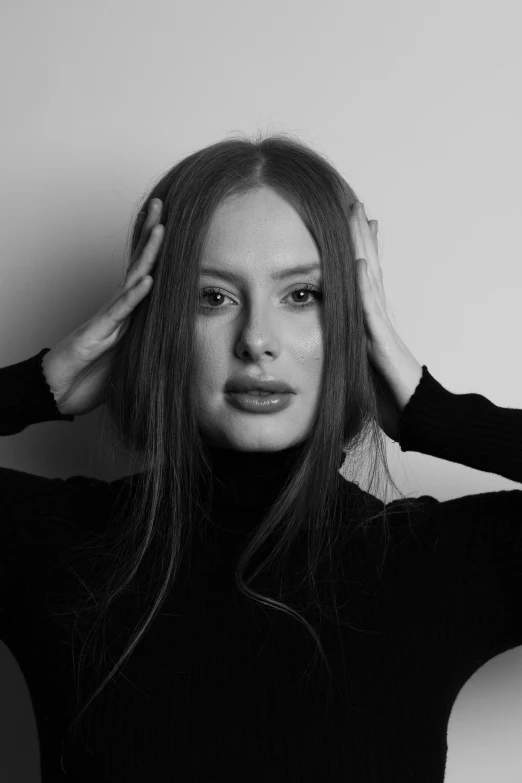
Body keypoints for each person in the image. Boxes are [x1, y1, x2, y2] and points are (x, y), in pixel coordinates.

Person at [1, 133, 521, 782]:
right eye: (212, 296)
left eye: (302, 295)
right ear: (158, 321)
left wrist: (430, 410)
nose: (257, 340)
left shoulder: (432, 567)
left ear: (353, 321)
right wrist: (38, 384)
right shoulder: (62, 550)